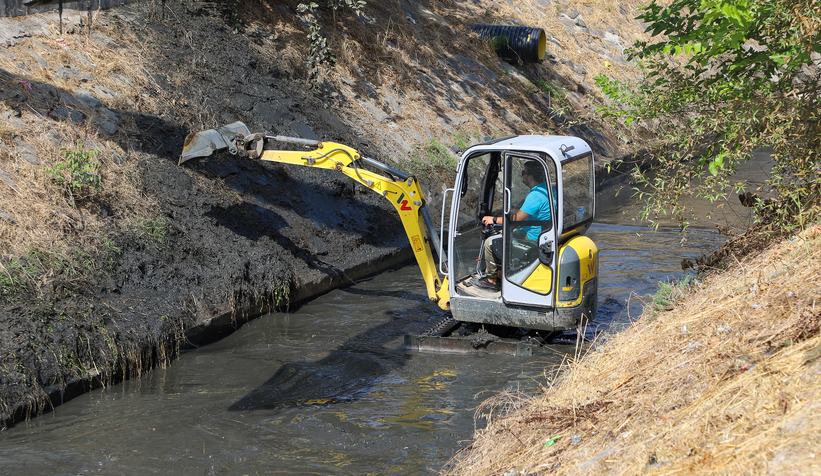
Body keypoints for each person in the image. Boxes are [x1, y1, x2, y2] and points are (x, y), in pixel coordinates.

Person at [475, 161, 552, 291]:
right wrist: (515, 210)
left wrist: (493, 219)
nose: (522, 176)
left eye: (523, 173)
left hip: (531, 238)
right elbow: (530, 213)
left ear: (530, 177)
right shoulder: (548, 190)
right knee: (505, 235)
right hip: (541, 234)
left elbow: (516, 220)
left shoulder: (535, 196)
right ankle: (502, 274)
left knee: (490, 242)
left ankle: (492, 281)